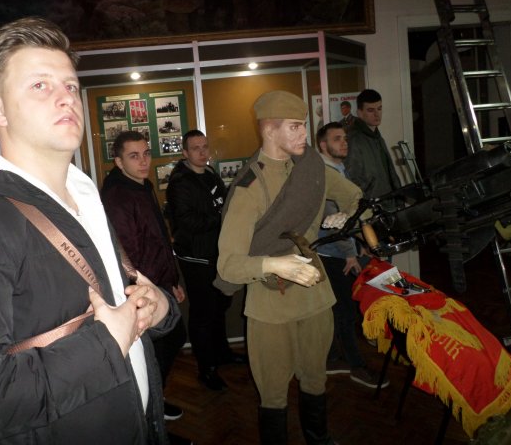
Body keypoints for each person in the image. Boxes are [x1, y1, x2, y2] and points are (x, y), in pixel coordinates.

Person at [0, 17, 179, 444]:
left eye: (70, 85)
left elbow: (109, 306)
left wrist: (158, 307)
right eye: (39, 85)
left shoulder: (82, 194)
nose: (65, 97)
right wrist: (106, 344)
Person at [216, 90, 338, 444]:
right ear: (269, 131)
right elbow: (228, 266)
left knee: (316, 379)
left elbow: (352, 193)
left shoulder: (309, 166)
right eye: (295, 127)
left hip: (314, 295)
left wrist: (347, 213)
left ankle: (319, 439)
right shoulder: (249, 188)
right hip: (270, 306)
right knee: (273, 394)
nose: (304, 134)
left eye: (304, 126)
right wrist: (275, 264)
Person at [101, 131, 190, 440]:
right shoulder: (118, 197)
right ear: (118, 161)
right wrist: (151, 291)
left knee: (170, 341)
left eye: (146, 153)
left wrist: (172, 279)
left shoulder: (143, 185)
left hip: (159, 281)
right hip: (143, 288)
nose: (143, 161)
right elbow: (129, 256)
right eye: (134, 156)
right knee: (157, 348)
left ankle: (155, 401)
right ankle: (151, 409)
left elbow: (160, 239)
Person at [165, 130, 246, 392]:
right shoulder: (180, 182)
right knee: (203, 312)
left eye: (205, 146)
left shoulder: (210, 173)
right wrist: (221, 218)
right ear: (185, 153)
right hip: (196, 257)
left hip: (217, 253)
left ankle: (222, 353)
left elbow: (223, 203)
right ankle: (206, 369)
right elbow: (186, 222)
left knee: (221, 304)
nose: (202, 152)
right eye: (195, 148)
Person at [316, 122, 390, 389]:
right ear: (323, 145)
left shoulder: (339, 169)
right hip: (333, 254)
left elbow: (351, 215)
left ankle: (331, 358)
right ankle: (356, 366)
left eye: (345, 138)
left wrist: (361, 245)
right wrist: (351, 254)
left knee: (340, 310)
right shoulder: (325, 174)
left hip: (340, 252)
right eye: (337, 139)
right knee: (346, 312)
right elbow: (334, 220)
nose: (344, 143)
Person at [344, 89, 402, 211]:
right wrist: (369, 206)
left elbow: (389, 173)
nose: (377, 114)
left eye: (379, 109)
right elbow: (352, 180)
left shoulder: (376, 136)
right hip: (374, 208)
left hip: (388, 205)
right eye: (370, 110)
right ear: (360, 113)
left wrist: (399, 200)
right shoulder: (354, 140)